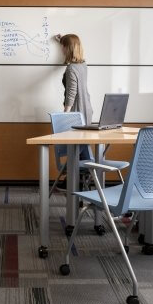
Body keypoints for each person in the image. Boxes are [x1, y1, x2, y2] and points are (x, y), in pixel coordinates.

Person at [56, 33, 93, 190]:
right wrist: (63, 39)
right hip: (87, 111)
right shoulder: (83, 65)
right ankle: (80, 184)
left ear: (67, 48)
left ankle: (72, 183)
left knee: (76, 148)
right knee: (82, 149)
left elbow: (72, 92)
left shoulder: (71, 69)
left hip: (77, 113)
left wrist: (66, 115)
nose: (61, 49)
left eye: (63, 46)